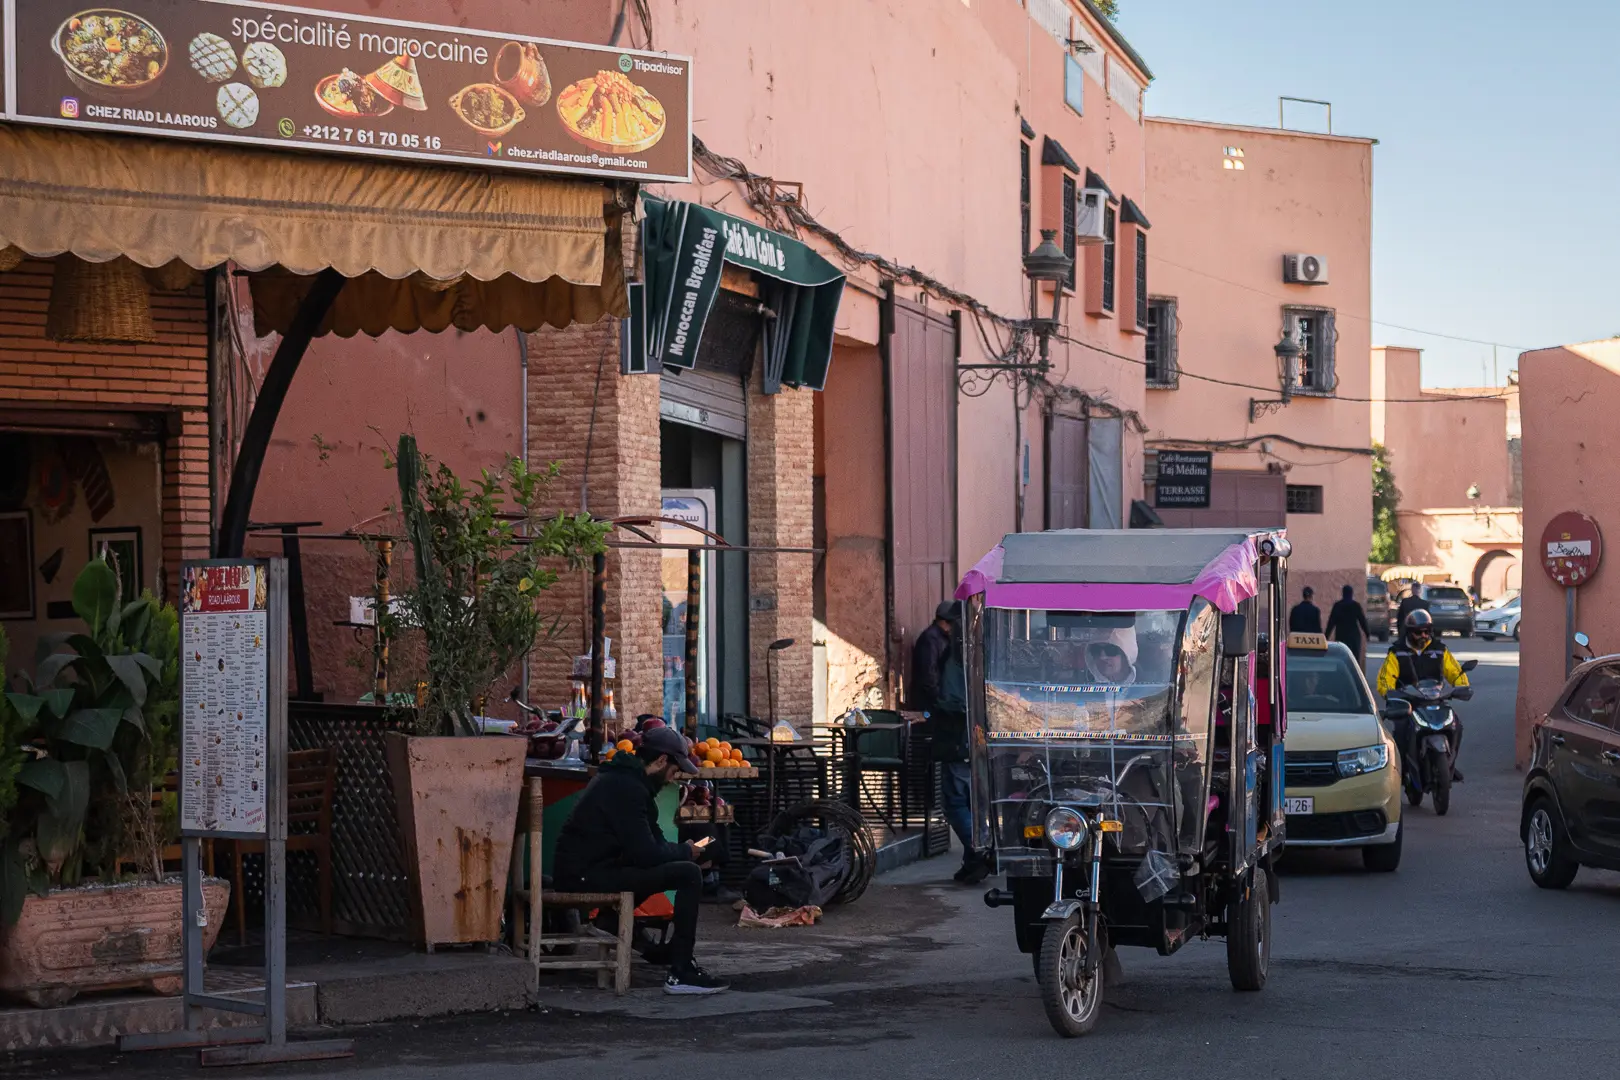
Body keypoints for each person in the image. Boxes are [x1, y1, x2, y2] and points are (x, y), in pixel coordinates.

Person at [552, 726, 728, 995]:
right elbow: (645, 854)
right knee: (688, 874)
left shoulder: (630, 782)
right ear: (660, 761)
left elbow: (653, 843)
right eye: (673, 771)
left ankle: (621, 927)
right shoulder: (625, 787)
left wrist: (685, 849)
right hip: (583, 875)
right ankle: (682, 971)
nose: (672, 779)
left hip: (598, 868)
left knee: (676, 867)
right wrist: (685, 853)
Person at [930, 615, 990, 885]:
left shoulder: (957, 661)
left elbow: (953, 701)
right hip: (976, 739)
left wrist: (932, 710)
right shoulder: (984, 655)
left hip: (960, 739)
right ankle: (973, 859)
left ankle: (979, 852)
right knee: (970, 802)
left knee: (956, 802)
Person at [1376, 609, 1469, 782]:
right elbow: (1385, 678)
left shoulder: (1439, 649)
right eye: (1419, 632)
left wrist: (1462, 686)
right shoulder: (1397, 652)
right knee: (1401, 732)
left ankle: (1449, 765)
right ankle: (1400, 772)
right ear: (1409, 632)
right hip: (1410, 703)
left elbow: (1454, 671)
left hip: (1435, 699)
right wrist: (1389, 693)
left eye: (1427, 631)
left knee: (1457, 725)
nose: (1423, 635)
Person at [909, 600, 957, 712]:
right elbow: (929, 673)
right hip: (927, 702)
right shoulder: (931, 639)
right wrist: (939, 698)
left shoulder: (941, 637)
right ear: (945, 621)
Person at [1326, 584, 1371, 664]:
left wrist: (1326, 636)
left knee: (1341, 659)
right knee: (1354, 660)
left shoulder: (1338, 606)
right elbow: (1362, 621)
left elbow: (1331, 622)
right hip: (1353, 636)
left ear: (1343, 593)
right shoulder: (1355, 606)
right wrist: (1367, 634)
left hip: (1341, 635)